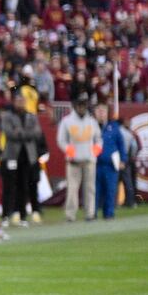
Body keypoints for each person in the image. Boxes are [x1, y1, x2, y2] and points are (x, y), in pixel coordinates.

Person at [0, 90, 40, 226]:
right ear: (14, 102)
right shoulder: (8, 116)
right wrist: (26, 133)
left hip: (27, 156)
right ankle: (5, 215)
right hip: (11, 155)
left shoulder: (31, 116)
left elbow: (37, 133)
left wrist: (20, 132)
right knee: (9, 186)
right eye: (18, 101)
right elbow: (9, 133)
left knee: (24, 186)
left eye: (22, 101)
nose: (20, 103)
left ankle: (22, 216)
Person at [57, 93, 100, 222]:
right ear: (75, 106)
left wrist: (94, 153)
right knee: (72, 189)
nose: (82, 108)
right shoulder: (67, 121)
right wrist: (69, 152)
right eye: (79, 106)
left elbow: (98, 139)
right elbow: (61, 140)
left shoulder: (92, 121)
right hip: (73, 161)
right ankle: (70, 215)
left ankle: (90, 213)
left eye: (84, 105)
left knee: (90, 188)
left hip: (89, 160)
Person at [94, 101, 127, 219]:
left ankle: (109, 214)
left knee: (110, 190)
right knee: (94, 191)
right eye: (98, 111)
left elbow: (121, 144)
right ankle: (92, 214)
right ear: (95, 113)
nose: (101, 113)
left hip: (110, 165)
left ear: (107, 113)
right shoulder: (91, 127)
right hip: (94, 164)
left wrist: (123, 159)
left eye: (103, 111)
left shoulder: (114, 127)